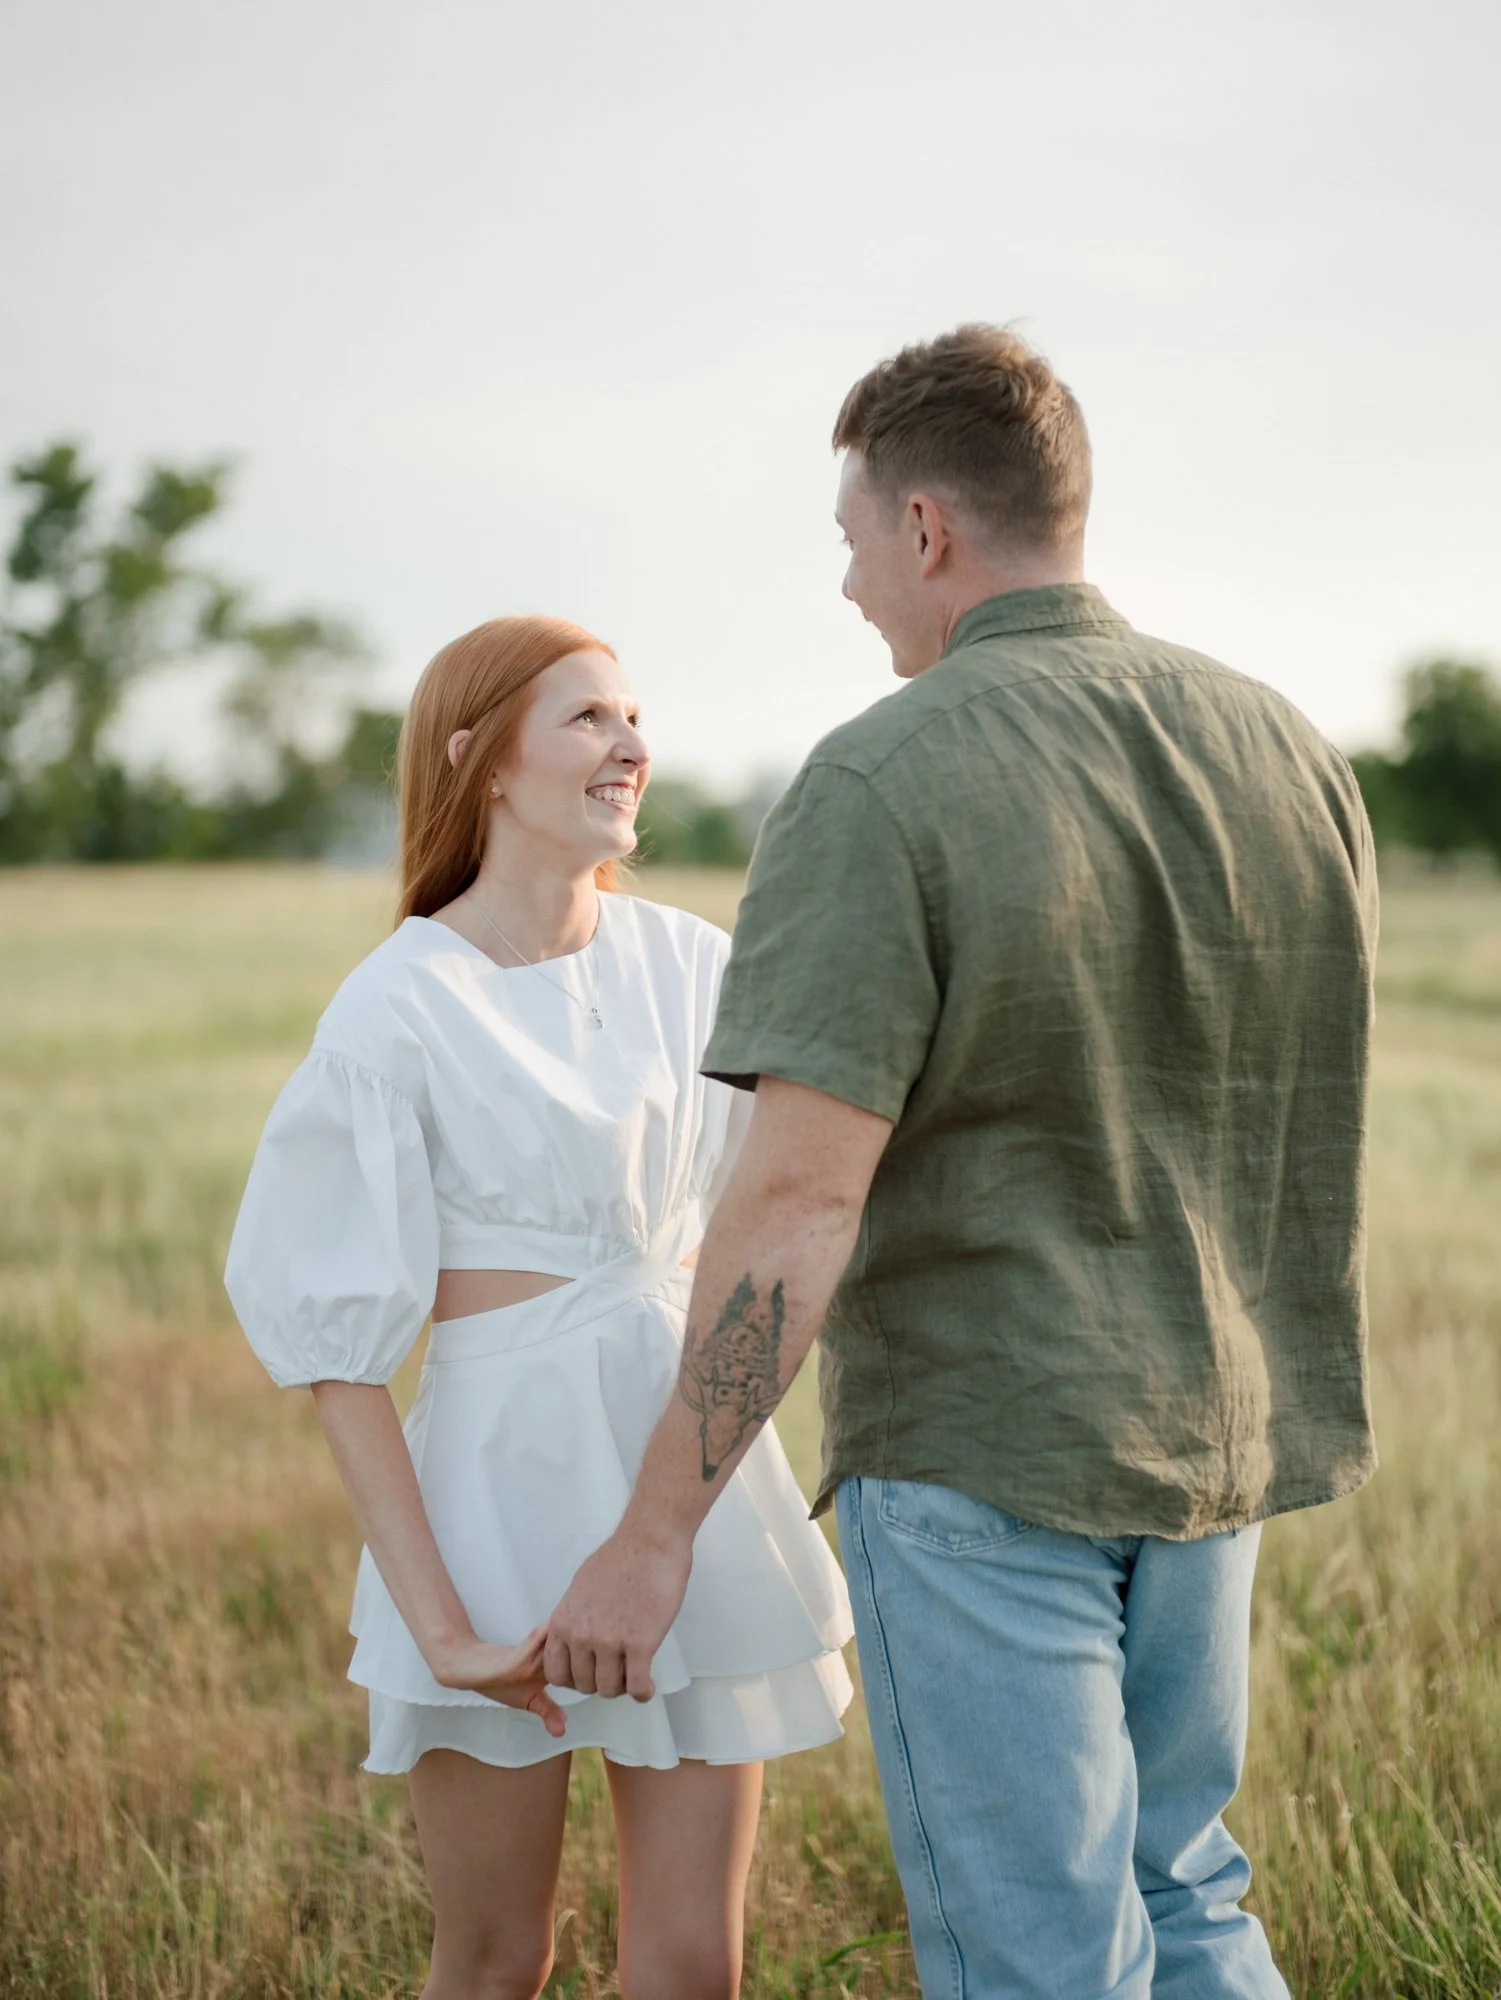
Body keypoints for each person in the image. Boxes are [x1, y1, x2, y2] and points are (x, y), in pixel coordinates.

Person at [544, 326, 1379, 1999]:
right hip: (1219, 1445)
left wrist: (654, 1530)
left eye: (855, 542)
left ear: (927, 529)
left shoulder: (877, 777)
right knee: (1190, 1889)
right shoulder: (1289, 749)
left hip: (990, 1460)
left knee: (1035, 1955)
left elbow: (795, 1201)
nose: (853, 588)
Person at [223, 615, 853, 2000]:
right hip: (492, 1504)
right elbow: (342, 1359)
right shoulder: (394, 1009)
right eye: (586, 718)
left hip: (681, 1485)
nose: (631, 743)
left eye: (635, 715)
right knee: (498, 1956)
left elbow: (781, 1224)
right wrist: (438, 1625)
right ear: (481, 762)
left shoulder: (692, 963)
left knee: (692, 1963)